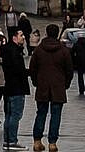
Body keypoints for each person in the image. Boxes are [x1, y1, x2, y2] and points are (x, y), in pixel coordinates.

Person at [27, 24, 72, 152]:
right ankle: (52, 143)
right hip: (58, 87)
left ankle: (37, 141)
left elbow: (32, 68)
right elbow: (69, 70)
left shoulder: (39, 50)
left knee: (41, 113)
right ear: (57, 34)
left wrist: (36, 82)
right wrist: (65, 84)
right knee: (56, 115)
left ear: (46, 33)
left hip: (42, 86)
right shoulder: (63, 50)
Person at [0, 27, 30, 151]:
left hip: (9, 87)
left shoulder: (8, 50)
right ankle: (11, 141)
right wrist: (28, 72)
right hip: (17, 87)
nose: (23, 37)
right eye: (21, 35)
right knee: (15, 115)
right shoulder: (14, 52)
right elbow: (18, 70)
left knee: (9, 115)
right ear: (14, 38)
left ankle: (7, 141)